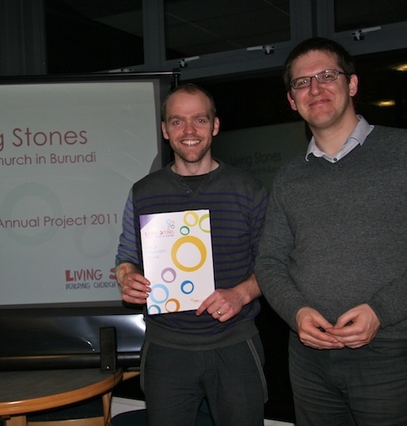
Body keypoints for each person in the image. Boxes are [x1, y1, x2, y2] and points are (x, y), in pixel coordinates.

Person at [254, 37, 407, 426]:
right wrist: (298, 312)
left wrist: (380, 311)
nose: (315, 88)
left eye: (327, 75)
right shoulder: (290, 177)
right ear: (292, 100)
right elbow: (270, 261)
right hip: (308, 360)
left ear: (352, 84)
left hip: (388, 356)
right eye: (302, 83)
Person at [115, 83, 268, 426]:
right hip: (166, 349)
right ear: (165, 130)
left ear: (215, 126)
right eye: (177, 121)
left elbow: (272, 265)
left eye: (199, 120)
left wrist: (241, 293)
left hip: (234, 344)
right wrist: (126, 277)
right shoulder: (143, 192)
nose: (189, 131)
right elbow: (126, 254)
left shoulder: (249, 191)